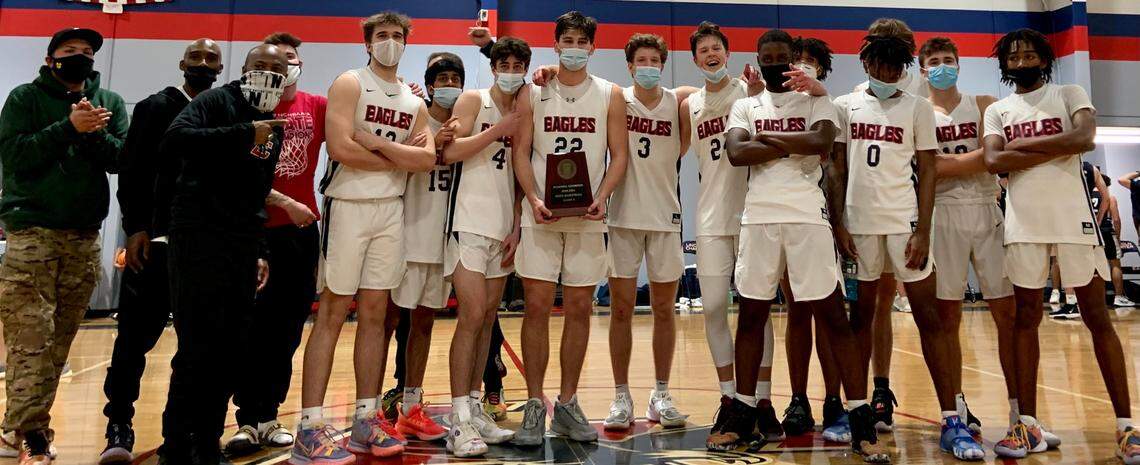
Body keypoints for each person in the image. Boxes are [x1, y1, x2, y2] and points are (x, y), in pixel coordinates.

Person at [719, 28, 893, 462]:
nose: (775, 63)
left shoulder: (819, 100)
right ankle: (741, 412)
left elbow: (820, 145)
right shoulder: (745, 103)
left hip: (807, 218)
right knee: (751, 317)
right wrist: (791, 146)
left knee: (833, 317)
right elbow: (737, 154)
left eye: (783, 56)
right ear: (758, 61)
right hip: (759, 217)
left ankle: (859, 420)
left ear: (795, 59)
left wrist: (768, 141)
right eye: (768, 57)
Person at [982, 28, 1138, 462]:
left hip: (1073, 221)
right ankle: (1027, 425)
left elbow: (1084, 139)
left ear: (1045, 58)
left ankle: (1127, 428)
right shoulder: (997, 109)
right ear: (1004, 64)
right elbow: (994, 160)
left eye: (1030, 53)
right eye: (1014, 55)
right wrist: (1054, 145)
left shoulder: (1070, 92)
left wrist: (1024, 146)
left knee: (1096, 316)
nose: (1022, 59)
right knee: (1025, 319)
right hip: (1024, 224)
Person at [293, 11, 436, 464]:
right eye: (382, 36)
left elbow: (427, 159)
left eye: (397, 36)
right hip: (348, 204)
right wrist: (401, 156)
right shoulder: (350, 83)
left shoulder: (415, 102)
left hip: (390, 210)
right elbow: (339, 148)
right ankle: (310, 426)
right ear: (367, 43)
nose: (390, 42)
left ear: (406, 43)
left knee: (377, 313)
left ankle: (365, 418)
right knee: (334, 310)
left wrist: (377, 146)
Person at [833, 34, 981, 460]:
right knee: (860, 319)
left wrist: (924, 229)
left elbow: (929, 170)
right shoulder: (845, 106)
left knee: (929, 316)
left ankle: (952, 419)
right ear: (865, 62)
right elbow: (837, 168)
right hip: (860, 227)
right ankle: (859, 414)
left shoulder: (917, 107)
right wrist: (840, 224)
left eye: (897, 65)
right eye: (881, 63)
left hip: (904, 223)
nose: (888, 72)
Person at [157, 43, 288, 464]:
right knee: (197, 346)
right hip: (197, 236)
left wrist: (260, 248)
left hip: (242, 241)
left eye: (277, 68)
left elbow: (257, 189)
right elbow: (176, 140)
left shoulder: (274, 124)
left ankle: (207, 442)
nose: (267, 73)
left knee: (231, 348)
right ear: (244, 69)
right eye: (259, 66)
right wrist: (245, 133)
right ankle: (176, 446)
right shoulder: (218, 100)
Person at [0, 26, 126, 465]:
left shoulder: (108, 102)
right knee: (30, 336)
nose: (80, 56)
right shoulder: (24, 98)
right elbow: (16, 157)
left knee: (57, 343)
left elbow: (120, 159)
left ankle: (27, 426)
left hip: (84, 236)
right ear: (51, 57)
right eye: (70, 50)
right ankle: (30, 433)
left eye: (87, 51)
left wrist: (91, 132)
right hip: (31, 231)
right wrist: (67, 127)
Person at [99, 37, 223, 465]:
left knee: (196, 347)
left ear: (221, 69)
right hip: (155, 243)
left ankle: (183, 431)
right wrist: (136, 228)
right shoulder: (155, 107)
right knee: (134, 340)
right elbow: (132, 171)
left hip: (203, 248)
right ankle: (119, 423)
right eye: (196, 57)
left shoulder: (225, 111)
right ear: (182, 63)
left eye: (211, 59)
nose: (203, 64)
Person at [510, 10, 629, 446]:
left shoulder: (610, 94)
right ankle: (533, 404)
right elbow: (522, 152)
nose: (575, 47)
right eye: (568, 40)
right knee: (537, 307)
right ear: (555, 43)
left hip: (588, 216)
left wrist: (603, 196)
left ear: (593, 48)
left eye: (583, 41)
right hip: (541, 215)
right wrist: (534, 198)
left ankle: (568, 402)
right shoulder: (534, 91)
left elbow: (619, 155)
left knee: (579, 309)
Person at [226, 31, 326, 456]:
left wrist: (411, 92)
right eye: (275, 59)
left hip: (300, 234)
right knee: (251, 325)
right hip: (253, 232)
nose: (284, 65)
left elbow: (361, 114)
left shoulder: (317, 106)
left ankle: (269, 414)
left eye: (291, 59)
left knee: (288, 327)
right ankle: (246, 418)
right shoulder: (246, 108)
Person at [440, 37, 531, 456]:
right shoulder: (473, 100)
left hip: (501, 229)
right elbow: (451, 152)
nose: (511, 69)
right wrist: (499, 130)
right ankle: (457, 419)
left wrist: (515, 225)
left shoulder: (523, 108)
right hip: (466, 223)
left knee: (488, 320)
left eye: (518, 64)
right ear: (493, 67)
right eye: (504, 63)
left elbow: (516, 172)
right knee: (472, 315)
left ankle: (475, 408)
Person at [921, 35, 1010, 458]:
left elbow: (999, 158)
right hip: (943, 214)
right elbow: (929, 170)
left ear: (959, 63)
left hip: (987, 209)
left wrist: (953, 165)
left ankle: (1019, 415)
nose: (942, 66)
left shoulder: (985, 103)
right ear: (923, 69)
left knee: (1006, 313)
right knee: (947, 317)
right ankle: (955, 410)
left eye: (948, 59)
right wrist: (979, 157)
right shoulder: (919, 110)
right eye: (934, 61)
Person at [596, 33, 689, 432]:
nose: (648, 65)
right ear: (630, 65)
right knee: (620, 310)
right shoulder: (616, 99)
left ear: (662, 64)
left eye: (655, 59)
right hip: (622, 217)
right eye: (642, 60)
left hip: (665, 217)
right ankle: (621, 395)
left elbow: (718, 90)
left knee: (666, 310)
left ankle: (661, 393)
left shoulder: (678, 101)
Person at [778, 36, 849, 441]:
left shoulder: (831, 107)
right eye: (796, 62)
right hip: (787, 216)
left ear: (821, 70)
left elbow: (838, 168)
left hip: (823, 218)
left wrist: (839, 223)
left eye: (810, 63)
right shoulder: (772, 104)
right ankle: (800, 399)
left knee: (830, 311)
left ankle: (835, 400)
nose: (802, 68)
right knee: (797, 310)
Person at [1091, 171, 1133, 308]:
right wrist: (1118, 238)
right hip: (1107, 231)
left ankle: (1096, 298)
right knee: (1115, 264)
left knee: (1094, 266)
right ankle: (1119, 297)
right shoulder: (1110, 198)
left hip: (1092, 234)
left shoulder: (1087, 197)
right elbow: (1116, 219)